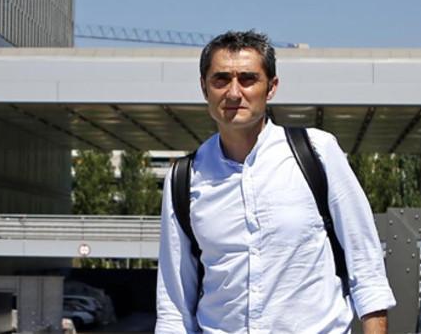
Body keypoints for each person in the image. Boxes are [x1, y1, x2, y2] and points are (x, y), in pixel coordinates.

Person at [156, 30, 394, 333]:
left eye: (247, 79)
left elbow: (367, 269)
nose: (233, 92)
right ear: (204, 88)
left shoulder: (317, 153)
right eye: (221, 80)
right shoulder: (183, 179)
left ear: (271, 88)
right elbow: (174, 305)